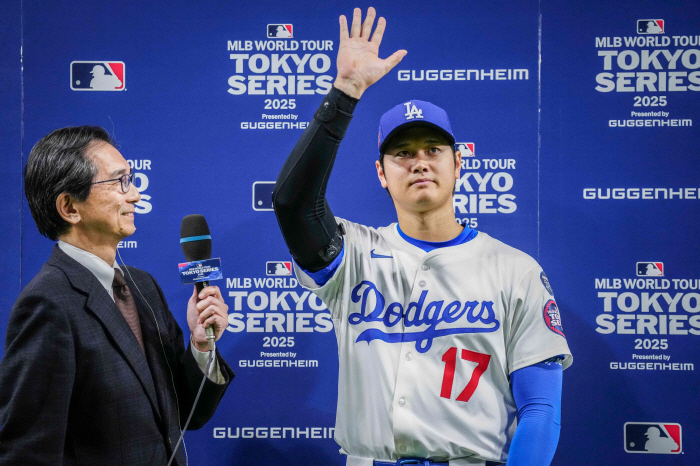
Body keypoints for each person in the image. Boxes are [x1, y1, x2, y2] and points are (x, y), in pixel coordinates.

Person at [273, 7, 572, 466]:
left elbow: (541, 408)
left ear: (458, 164)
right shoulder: (353, 255)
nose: (419, 162)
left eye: (434, 149)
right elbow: (293, 203)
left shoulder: (515, 270)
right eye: (402, 152)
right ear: (381, 173)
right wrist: (346, 91)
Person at [0, 126, 234, 465]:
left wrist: (200, 346)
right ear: (69, 207)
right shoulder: (48, 303)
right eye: (119, 182)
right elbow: (27, 452)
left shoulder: (143, 286)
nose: (136, 195)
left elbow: (185, 413)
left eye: (132, 179)